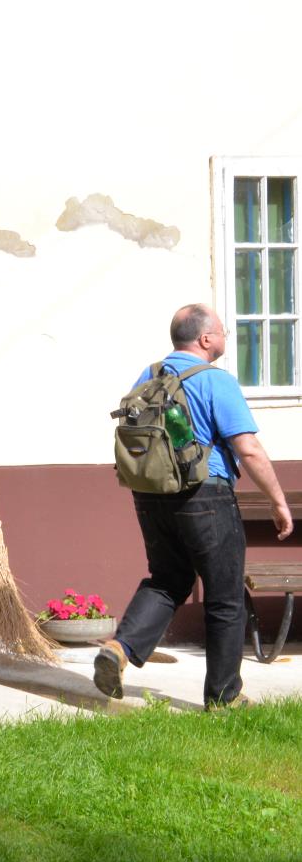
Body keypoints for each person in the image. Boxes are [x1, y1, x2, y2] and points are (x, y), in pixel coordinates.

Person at [94, 303, 293, 708]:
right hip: (206, 497)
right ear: (205, 339)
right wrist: (279, 501)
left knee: (167, 579)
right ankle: (224, 697)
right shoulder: (215, 381)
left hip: (150, 498)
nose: (225, 337)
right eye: (221, 331)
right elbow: (248, 449)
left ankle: (120, 648)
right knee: (224, 596)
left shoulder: (148, 376)